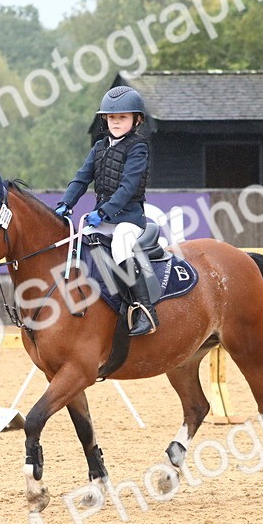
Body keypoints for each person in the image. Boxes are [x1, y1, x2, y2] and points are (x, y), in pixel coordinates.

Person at [54, 85, 158, 336]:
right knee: (76, 245)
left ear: (137, 119)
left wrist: (103, 212)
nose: (116, 122)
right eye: (112, 117)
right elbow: (82, 178)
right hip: (103, 218)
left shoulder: (138, 147)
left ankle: (145, 311)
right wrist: (65, 204)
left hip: (129, 219)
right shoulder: (100, 147)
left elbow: (127, 187)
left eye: (122, 117)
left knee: (121, 245)